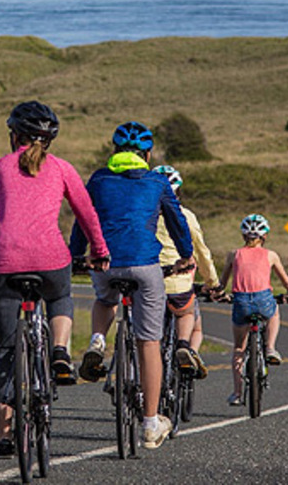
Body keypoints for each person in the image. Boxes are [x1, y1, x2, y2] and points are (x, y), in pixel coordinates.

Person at [0, 100, 110, 459]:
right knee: (60, 297)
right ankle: (59, 352)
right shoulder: (62, 169)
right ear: (49, 140)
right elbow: (86, 212)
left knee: (4, 350)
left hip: (2, 263)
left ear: (15, 136)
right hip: (50, 260)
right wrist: (99, 251)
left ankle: (5, 435)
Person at [68, 121, 193, 450]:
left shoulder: (98, 179)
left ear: (115, 152)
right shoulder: (157, 181)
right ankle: (151, 424)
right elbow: (177, 222)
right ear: (147, 154)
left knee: (105, 299)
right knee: (149, 343)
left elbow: (84, 219)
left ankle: (97, 341)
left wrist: (75, 255)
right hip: (145, 266)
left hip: (105, 263)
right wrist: (187, 255)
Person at [216, 213, 288, 406]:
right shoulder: (271, 255)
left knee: (238, 348)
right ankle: (270, 348)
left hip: (241, 301)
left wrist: (220, 294)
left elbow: (222, 283)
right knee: (274, 311)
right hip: (264, 299)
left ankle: (237, 393)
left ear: (244, 236)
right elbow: (285, 279)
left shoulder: (234, 255)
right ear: (264, 236)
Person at [151, 165, 220, 380]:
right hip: (178, 283)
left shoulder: (143, 214)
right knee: (186, 312)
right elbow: (201, 252)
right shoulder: (186, 216)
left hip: (148, 280)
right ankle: (183, 344)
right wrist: (213, 283)